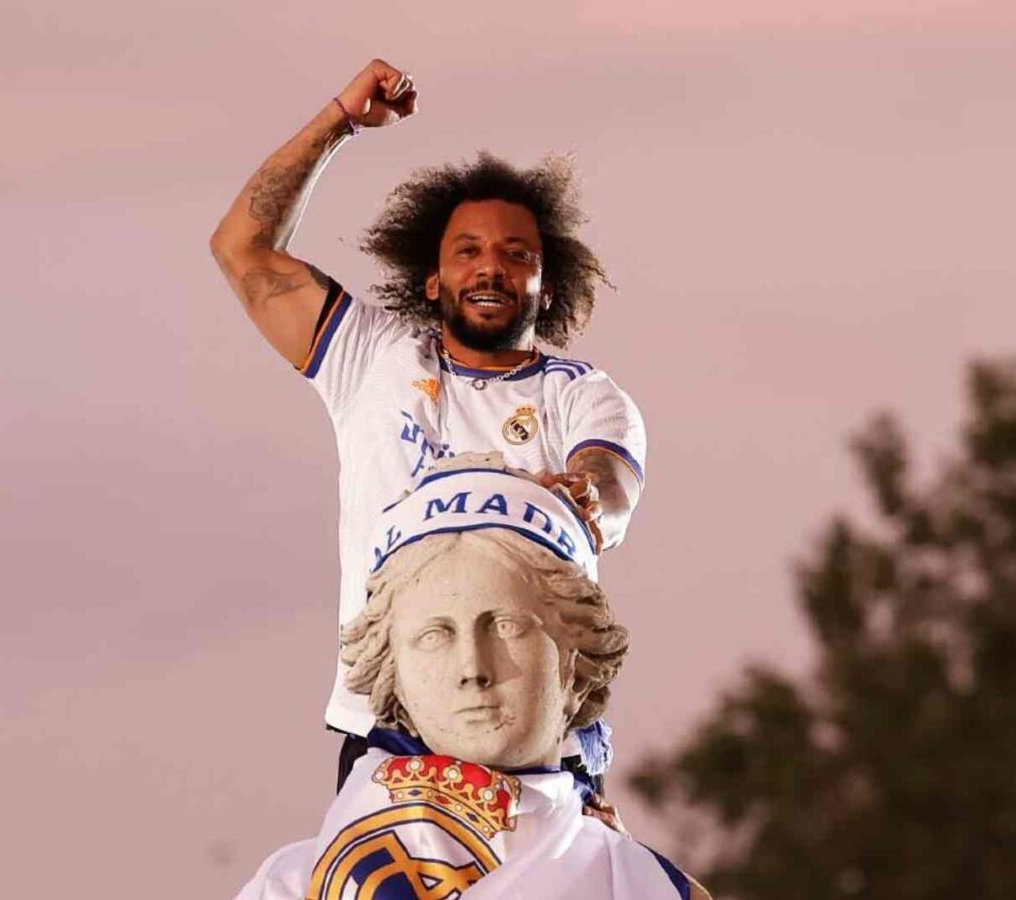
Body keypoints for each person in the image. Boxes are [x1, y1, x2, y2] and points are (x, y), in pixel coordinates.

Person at [210, 59, 647, 780]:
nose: (490, 267)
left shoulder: (583, 394)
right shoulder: (369, 355)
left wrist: (585, 494)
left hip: (539, 730)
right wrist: (339, 122)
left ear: (546, 284)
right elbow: (241, 249)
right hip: (391, 725)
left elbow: (609, 481)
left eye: (516, 254)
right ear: (432, 278)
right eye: (467, 250)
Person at [233, 461, 708, 900]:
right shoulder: (292, 886)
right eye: (435, 635)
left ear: (576, 655)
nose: (472, 669)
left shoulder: (647, 886)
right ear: (392, 669)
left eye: (505, 627)